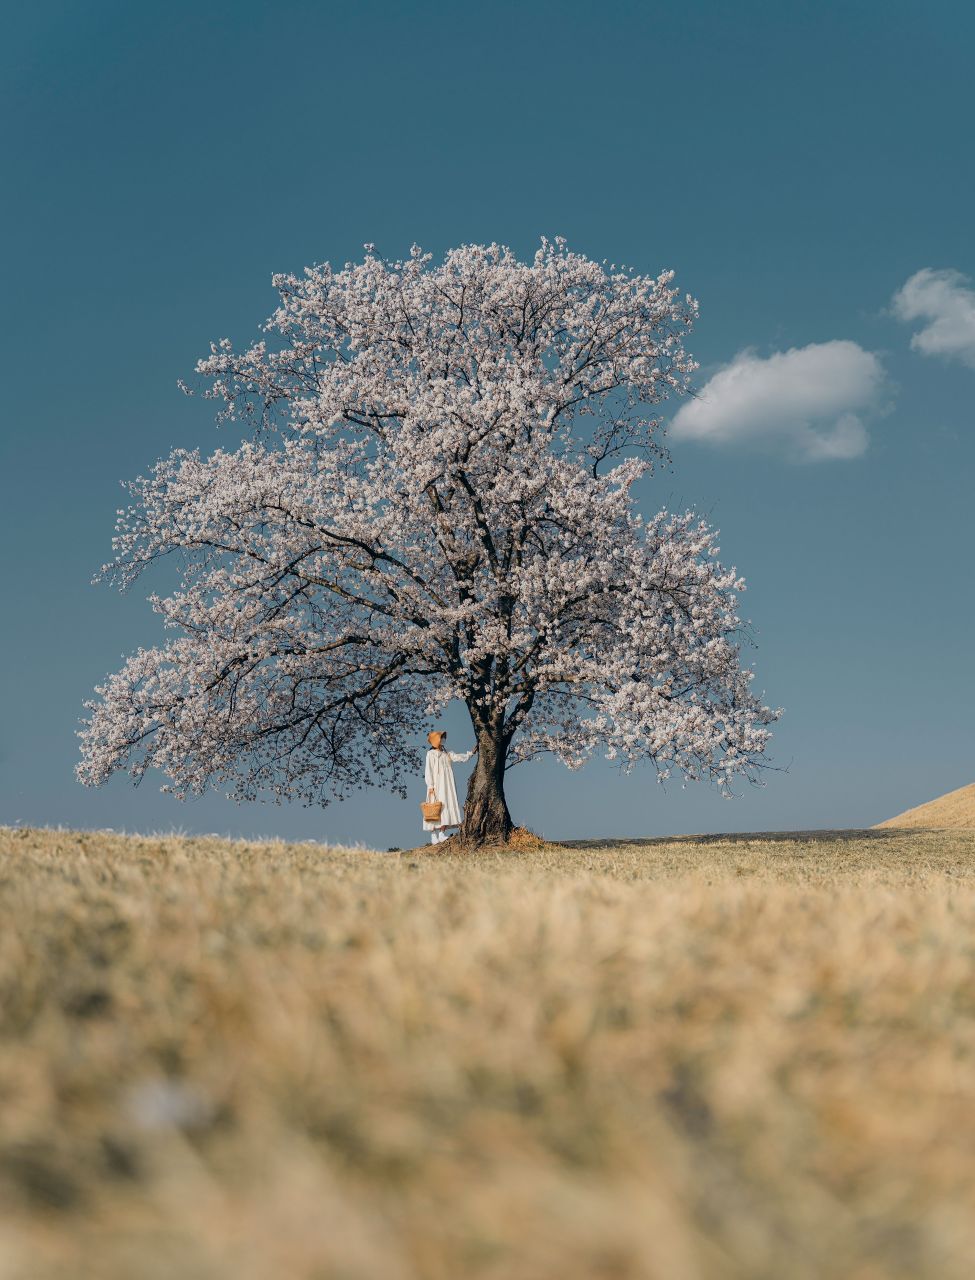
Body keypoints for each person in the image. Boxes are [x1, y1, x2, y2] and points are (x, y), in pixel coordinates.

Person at [423, 730, 477, 844]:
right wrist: (430, 786)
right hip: (436, 785)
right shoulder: (431, 754)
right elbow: (429, 771)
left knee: (446, 804)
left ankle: (442, 833)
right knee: (434, 808)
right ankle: (433, 835)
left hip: (447, 784)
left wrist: (470, 753)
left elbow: (458, 757)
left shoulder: (446, 753)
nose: (443, 740)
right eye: (441, 737)